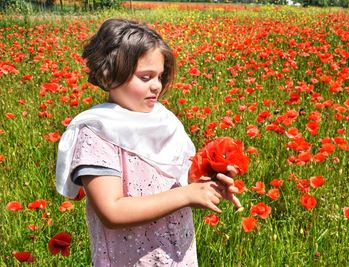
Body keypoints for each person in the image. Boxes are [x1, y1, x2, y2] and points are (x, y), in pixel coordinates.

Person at [55, 18, 242, 266]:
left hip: (177, 256)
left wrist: (208, 185)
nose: (157, 86)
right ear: (108, 75)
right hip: (129, 259)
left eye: (160, 76)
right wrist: (186, 196)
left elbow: (177, 179)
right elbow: (112, 210)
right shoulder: (97, 132)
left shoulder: (165, 121)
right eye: (145, 77)